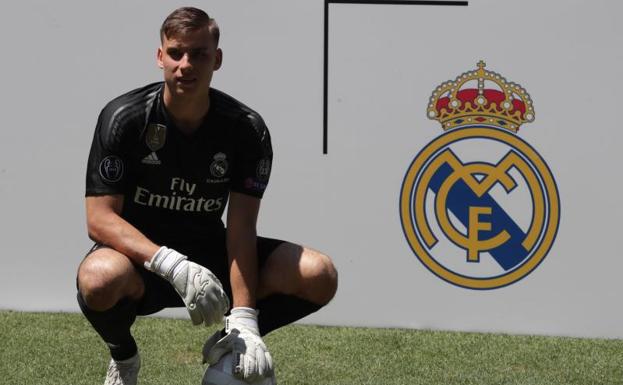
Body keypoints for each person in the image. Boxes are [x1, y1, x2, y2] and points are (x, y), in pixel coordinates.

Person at [76, 7, 338, 385]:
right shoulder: (124, 117)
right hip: (142, 261)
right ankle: (124, 356)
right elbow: (99, 219)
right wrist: (170, 264)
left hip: (211, 261)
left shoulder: (245, 129)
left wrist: (247, 317)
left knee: (319, 274)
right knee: (98, 279)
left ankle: (233, 341)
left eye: (198, 54)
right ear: (160, 56)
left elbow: (242, 224)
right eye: (177, 53)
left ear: (216, 59)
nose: (186, 64)